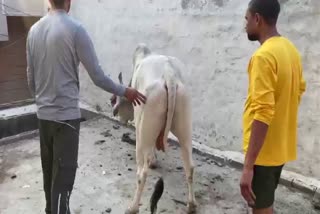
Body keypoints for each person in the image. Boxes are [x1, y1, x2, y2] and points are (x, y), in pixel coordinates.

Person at [26, 0, 146, 213]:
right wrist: (125, 91)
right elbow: (98, 77)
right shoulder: (75, 29)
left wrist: (42, 102)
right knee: (62, 180)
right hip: (66, 120)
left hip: (43, 117)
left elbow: (30, 77)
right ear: (69, 2)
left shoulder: (34, 31)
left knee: (49, 174)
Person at [240, 0, 306, 213]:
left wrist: (248, 166)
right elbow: (299, 91)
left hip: (264, 154)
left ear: (257, 19)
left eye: (247, 19)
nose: (245, 25)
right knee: (266, 205)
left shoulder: (263, 57)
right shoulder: (290, 50)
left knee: (261, 209)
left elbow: (263, 112)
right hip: (280, 149)